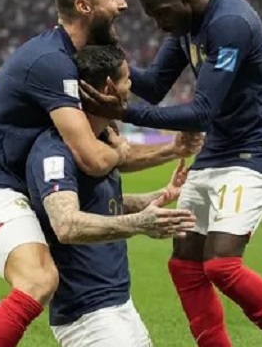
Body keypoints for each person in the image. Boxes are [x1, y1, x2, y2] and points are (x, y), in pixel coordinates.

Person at [0, 0, 202, 347]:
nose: (123, 4)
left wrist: (168, 152)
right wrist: (124, 151)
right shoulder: (52, 63)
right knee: (39, 280)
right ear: (84, 6)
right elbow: (91, 159)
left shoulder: (75, 60)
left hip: (25, 185)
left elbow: (100, 160)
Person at [79, 0, 262, 347]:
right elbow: (154, 85)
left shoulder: (230, 23)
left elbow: (202, 112)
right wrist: (103, 55)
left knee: (222, 265)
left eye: (162, 14)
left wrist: (123, 112)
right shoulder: (186, 23)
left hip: (254, 151)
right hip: (218, 151)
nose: (160, 25)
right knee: (185, 264)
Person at [28, 44, 198, 347]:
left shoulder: (102, 142)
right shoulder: (55, 150)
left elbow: (106, 205)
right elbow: (66, 224)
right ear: (109, 87)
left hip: (118, 302)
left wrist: (163, 195)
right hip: (86, 313)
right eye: (127, 78)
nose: (131, 85)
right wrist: (139, 224)